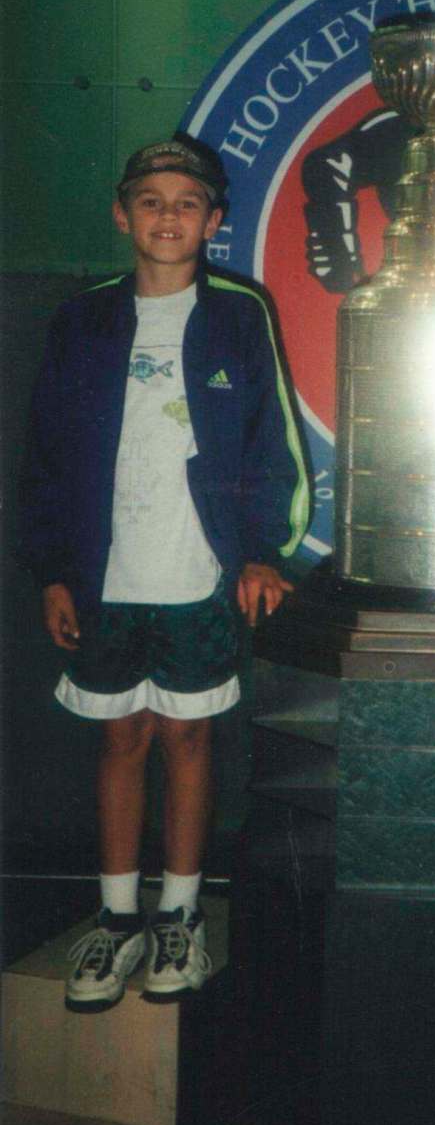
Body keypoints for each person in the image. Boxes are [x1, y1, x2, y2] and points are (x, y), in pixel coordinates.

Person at [19, 136, 310, 1013]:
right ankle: (117, 915)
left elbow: (271, 442)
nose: (168, 216)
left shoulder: (239, 315)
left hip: (196, 571)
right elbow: (45, 453)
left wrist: (261, 551)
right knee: (121, 738)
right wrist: (54, 569)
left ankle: (180, 913)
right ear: (122, 214)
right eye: (151, 200)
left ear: (213, 220)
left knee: (187, 738)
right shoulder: (82, 319)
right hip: (105, 573)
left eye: (188, 202)